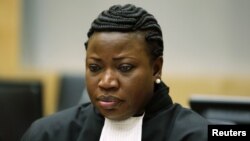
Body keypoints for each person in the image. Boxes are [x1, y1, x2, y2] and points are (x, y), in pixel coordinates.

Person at [21, 4, 209, 141]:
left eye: (125, 68)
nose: (106, 82)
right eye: (95, 68)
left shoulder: (197, 134)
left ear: (156, 69)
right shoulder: (47, 134)